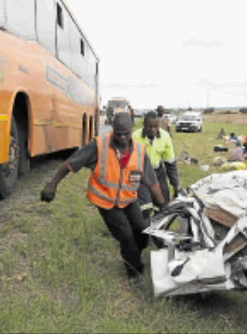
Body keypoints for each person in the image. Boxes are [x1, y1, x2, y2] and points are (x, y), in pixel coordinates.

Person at [40, 113, 166, 286]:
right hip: (106, 202)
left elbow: (152, 183)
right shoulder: (99, 146)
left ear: (132, 130)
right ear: (113, 130)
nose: (122, 138)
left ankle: (133, 254)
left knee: (142, 231)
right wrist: (52, 184)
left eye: (126, 134)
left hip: (128, 200)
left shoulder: (139, 151)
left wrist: (164, 205)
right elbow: (70, 164)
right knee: (126, 236)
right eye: (118, 133)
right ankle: (134, 271)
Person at [132, 112, 179, 220]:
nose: (153, 130)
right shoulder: (135, 137)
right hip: (140, 174)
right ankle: (143, 229)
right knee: (144, 206)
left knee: (163, 204)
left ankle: (157, 230)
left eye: (155, 126)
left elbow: (170, 164)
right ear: (144, 125)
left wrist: (176, 186)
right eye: (149, 126)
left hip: (158, 172)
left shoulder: (165, 137)